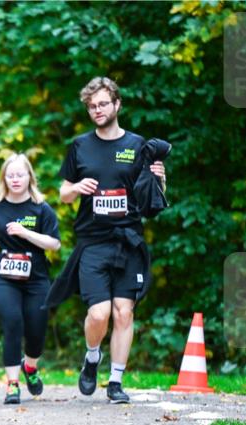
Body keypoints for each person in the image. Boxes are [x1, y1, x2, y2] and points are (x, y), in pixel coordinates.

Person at [50, 77, 165, 404]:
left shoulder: (138, 145)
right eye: (91, 106)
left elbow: (152, 199)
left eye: (102, 104)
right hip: (93, 241)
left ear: (117, 104)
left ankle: (115, 381)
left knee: (123, 312)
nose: (97, 110)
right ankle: (91, 356)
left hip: (129, 241)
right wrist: (75, 188)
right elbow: (63, 194)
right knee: (99, 314)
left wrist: (162, 181)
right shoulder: (80, 146)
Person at [0, 154, 61, 404]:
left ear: (30, 176)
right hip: (3, 275)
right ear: (4, 179)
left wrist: (26, 232)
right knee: (12, 322)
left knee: (36, 329)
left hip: (36, 277)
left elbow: (54, 243)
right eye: (10, 175)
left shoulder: (42, 208)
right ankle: (12, 384)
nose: (15, 179)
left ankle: (29, 367)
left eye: (20, 174)